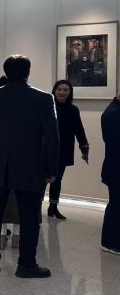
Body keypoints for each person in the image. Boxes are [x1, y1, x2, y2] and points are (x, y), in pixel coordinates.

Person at [0, 55, 59, 278]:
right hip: (30, 165)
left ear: (6, 72)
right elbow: (52, 137)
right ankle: (26, 264)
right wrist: (51, 169)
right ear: (28, 72)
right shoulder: (43, 98)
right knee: (29, 216)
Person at [48, 80, 89, 220]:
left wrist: (84, 148)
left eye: (65, 90)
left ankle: (53, 207)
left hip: (64, 148)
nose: (62, 92)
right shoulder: (48, 107)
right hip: (47, 149)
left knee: (58, 179)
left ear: (70, 92)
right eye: (59, 89)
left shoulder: (73, 110)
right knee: (43, 179)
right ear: (54, 90)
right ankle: (36, 208)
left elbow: (79, 129)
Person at [100, 93, 120, 255]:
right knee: (116, 205)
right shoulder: (113, 113)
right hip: (116, 168)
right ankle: (109, 242)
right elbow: (115, 143)